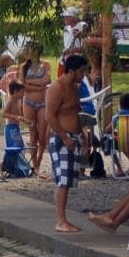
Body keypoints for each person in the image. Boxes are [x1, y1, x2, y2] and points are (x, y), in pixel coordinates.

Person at [45, 54, 90, 233]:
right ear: (70, 71)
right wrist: (64, 137)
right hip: (61, 137)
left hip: (74, 136)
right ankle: (60, 220)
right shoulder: (57, 88)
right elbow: (49, 115)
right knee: (63, 180)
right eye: (80, 71)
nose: (83, 74)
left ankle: (63, 219)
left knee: (69, 180)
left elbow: (75, 113)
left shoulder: (76, 87)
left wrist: (83, 135)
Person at [19, 43, 51, 168]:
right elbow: (22, 85)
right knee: (33, 133)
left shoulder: (45, 64)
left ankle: (40, 158)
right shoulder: (24, 67)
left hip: (42, 102)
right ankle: (35, 164)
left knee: (42, 135)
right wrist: (38, 86)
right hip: (28, 102)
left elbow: (46, 81)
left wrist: (30, 83)